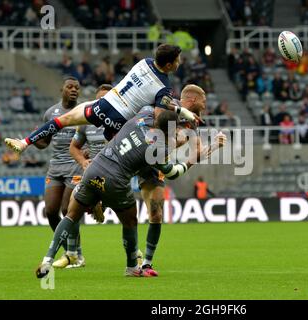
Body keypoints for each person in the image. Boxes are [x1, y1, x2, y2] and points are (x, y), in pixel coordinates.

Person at [35, 109, 226, 279]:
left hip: (94, 169)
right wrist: (193, 159)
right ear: (169, 130)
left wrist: (180, 113)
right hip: (116, 181)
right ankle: (132, 267)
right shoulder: (157, 149)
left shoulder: (141, 116)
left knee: (71, 215)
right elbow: (172, 173)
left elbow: (156, 107)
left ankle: (47, 260)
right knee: (130, 221)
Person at [5, 44, 200, 155]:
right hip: (118, 121)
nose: (179, 62)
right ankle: (96, 197)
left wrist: (179, 109)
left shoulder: (145, 62)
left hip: (103, 105)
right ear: (168, 64)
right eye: (177, 60)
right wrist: (182, 115)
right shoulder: (164, 86)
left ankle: (24, 143)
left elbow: (162, 99)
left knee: (62, 121)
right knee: (112, 160)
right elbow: (159, 115)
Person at [136, 84, 212, 276]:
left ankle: (146, 263)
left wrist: (212, 148)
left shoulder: (193, 123)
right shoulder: (170, 105)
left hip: (157, 164)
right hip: (139, 151)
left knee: (156, 213)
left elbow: (196, 152)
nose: (205, 104)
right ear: (193, 99)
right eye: (203, 100)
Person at [51, 84, 112, 269]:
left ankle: (136, 256)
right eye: (101, 100)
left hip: (115, 173)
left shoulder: (122, 121)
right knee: (71, 207)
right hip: (91, 172)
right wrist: (83, 161)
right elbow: (73, 148)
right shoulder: (87, 123)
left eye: (108, 99)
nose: (104, 103)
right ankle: (73, 255)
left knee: (127, 215)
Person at [35, 77, 85, 268]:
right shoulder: (51, 113)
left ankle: (76, 254)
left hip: (75, 165)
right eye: (70, 87)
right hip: (55, 167)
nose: (74, 90)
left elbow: (89, 137)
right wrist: (32, 139)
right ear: (61, 89)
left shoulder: (83, 112)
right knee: (50, 212)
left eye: (77, 88)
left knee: (67, 210)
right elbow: (44, 142)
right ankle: (70, 252)